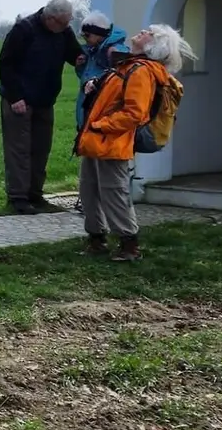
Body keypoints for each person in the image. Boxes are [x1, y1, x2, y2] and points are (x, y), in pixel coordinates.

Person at [76, 23, 187, 262]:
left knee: (113, 192)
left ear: (153, 44)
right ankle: (96, 239)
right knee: (90, 188)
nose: (143, 31)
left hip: (112, 139)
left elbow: (135, 113)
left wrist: (101, 125)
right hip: (99, 138)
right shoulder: (128, 66)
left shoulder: (141, 71)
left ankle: (129, 244)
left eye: (150, 32)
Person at [0, 0, 83, 214]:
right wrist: (15, 97)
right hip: (19, 100)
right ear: (50, 18)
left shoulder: (63, 31)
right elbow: (5, 64)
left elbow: (74, 54)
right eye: (62, 23)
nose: (66, 27)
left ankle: (36, 194)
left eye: (67, 24)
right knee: (19, 150)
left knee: (41, 149)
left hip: (45, 100)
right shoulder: (23, 30)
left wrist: (83, 57)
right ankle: (18, 197)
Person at [73, 9, 129, 131]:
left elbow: (121, 83)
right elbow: (86, 77)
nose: (84, 38)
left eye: (87, 35)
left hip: (102, 117)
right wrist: (80, 66)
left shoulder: (116, 51)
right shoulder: (92, 50)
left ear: (99, 34)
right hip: (88, 112)